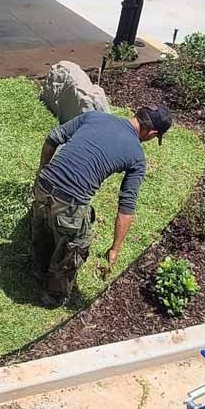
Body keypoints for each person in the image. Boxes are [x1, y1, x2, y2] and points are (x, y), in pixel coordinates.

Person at [32, 104, 172, 306]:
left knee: (48, 221)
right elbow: (126, 208)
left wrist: (41, 172)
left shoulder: (95, 116)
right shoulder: (137, 156)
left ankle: (37, 268)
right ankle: (53, 296)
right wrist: (115, 248)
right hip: (70, 203)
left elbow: (53, 138)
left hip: (43, 187)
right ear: (152, 133)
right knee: (76, 245)